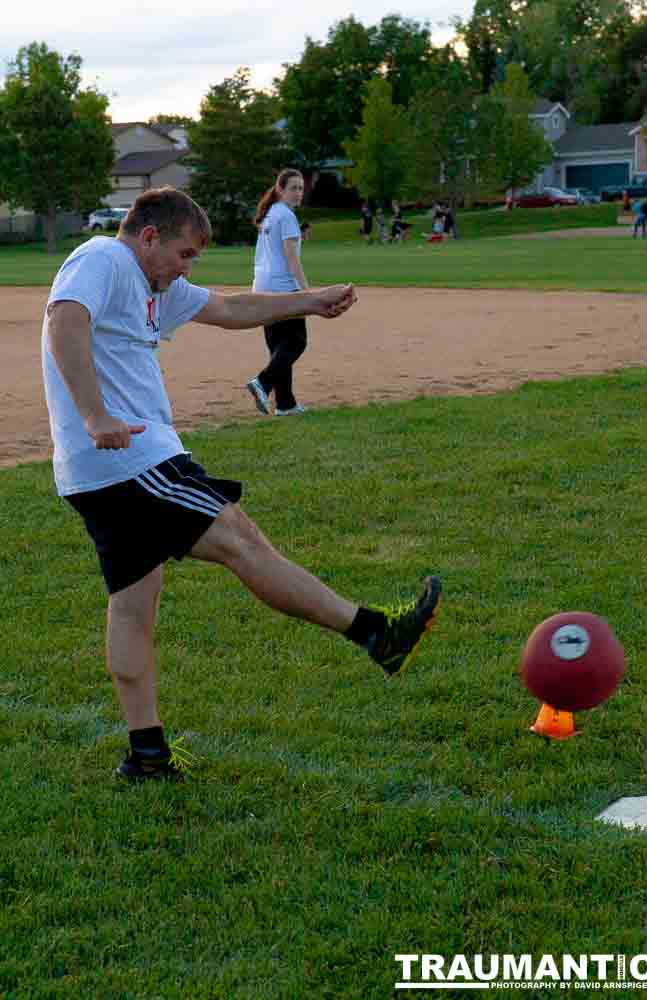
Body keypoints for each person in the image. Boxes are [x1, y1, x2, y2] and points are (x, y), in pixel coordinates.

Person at [41, 185, 442, 783]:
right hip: (129, 459)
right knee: (236, 534)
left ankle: (146, 754)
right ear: (149, 237)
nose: (186, 268)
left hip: (97, 469)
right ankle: (375, 632)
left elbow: (229, 309)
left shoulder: (156, 286)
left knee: (132, 603)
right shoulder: (104, 259)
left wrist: (309, 302)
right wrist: (96, 414)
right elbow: (64, 320)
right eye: (183, 254)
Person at [247, 169, 311, 417]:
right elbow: (291, 257)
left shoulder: (270, 213)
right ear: (280, 189)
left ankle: (285, 404)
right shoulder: (286, 216)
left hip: (262, 287)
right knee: (296, 342)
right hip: (283, 287)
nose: (298, 193)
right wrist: (307, 293)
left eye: (301, 188)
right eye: (293, 188)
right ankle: (263, 382)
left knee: (279, 346)